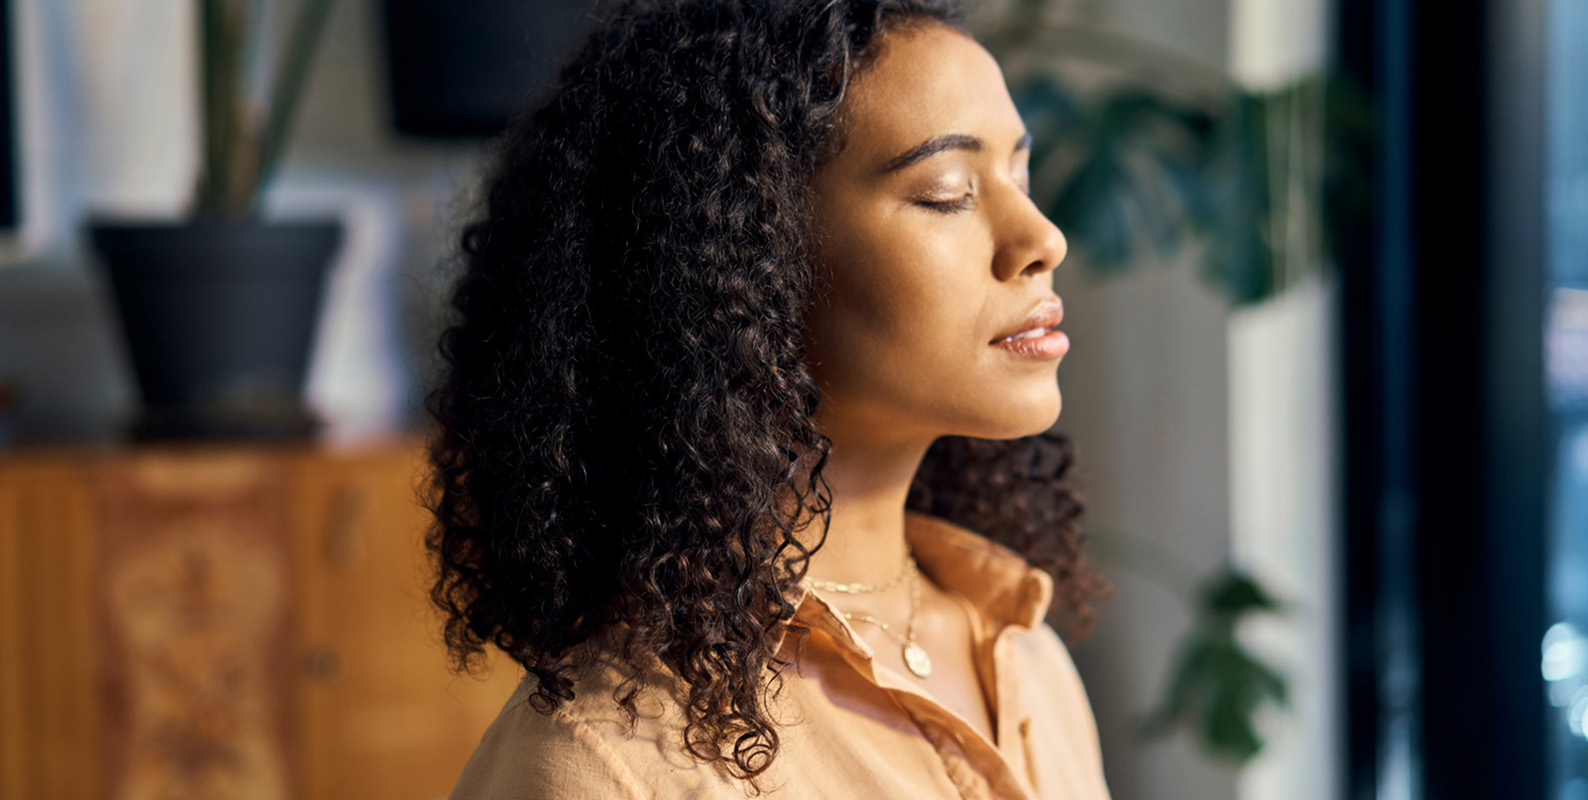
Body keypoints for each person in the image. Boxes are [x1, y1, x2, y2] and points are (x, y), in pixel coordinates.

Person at [426, 0, 1112, 796]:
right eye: (947, 191)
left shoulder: (1026, 657)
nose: (1043, 238)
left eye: (1020, 173)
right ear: (741, 256)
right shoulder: (609, 766)